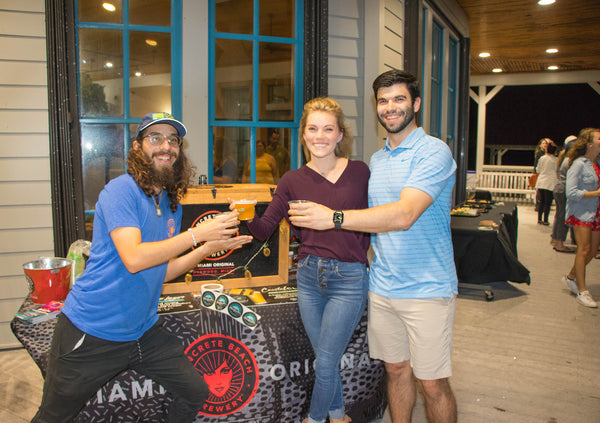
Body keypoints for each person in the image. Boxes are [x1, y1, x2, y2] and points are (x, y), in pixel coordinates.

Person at [31, 112, 252, 423]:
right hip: (91, 332)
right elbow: (134, 259)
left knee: (197, 391)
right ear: (137, 148)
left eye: (173, 140)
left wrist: (208, 248)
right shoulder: (120, 190)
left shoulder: (169, 202)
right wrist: (197, 234)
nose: (166, 146)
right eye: (155, 138)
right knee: (53, 416)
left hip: (143, 333)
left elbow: (160, 270)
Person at [289, 70, 458, 423]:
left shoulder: (433, 152)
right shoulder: (377, 161)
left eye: (399, 99)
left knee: (432, 383)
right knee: (395, 371)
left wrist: (332, 218)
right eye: (383, 100)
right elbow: (367, 221)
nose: (390, 107)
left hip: (427, 287)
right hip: (382, 285)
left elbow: (404, 215)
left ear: (416, 103)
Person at [243, 97, 370, 423]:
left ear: (340, 135)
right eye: (313, 129)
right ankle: (339, 417)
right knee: (325, 359)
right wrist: (242, 213)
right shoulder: (291, 180)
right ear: (303, 134)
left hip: (349, 278)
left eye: (328, 129)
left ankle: (313, 420)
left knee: (326, 362)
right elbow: (264, 228)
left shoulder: (360, 173)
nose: (320, 136)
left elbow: (379, 218)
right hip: (309, 277)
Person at [562, 128, 600, 308]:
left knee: (592, 251)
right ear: (589, 143)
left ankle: (571, 277)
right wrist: (596, 193)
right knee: (583, 250)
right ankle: (582, 291)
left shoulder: (597, 162)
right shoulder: (578, 164)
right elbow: (571, 193)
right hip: (581, 212)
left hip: (595, 212)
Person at [551, 135, 577, 252]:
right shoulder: (571, 161)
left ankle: (556, 240)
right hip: (565, 190)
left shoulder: (564, 159)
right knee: (563, 218)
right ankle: (559, 243)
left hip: (559, 188)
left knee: (559, 216)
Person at [535, 142, 558, 224]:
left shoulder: (542, 158)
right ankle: (545, 220)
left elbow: (538, 169)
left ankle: (539, 218)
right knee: (548, 202)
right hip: (550, 182)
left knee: (541, 201)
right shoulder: (556, 160)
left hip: (541, 181)